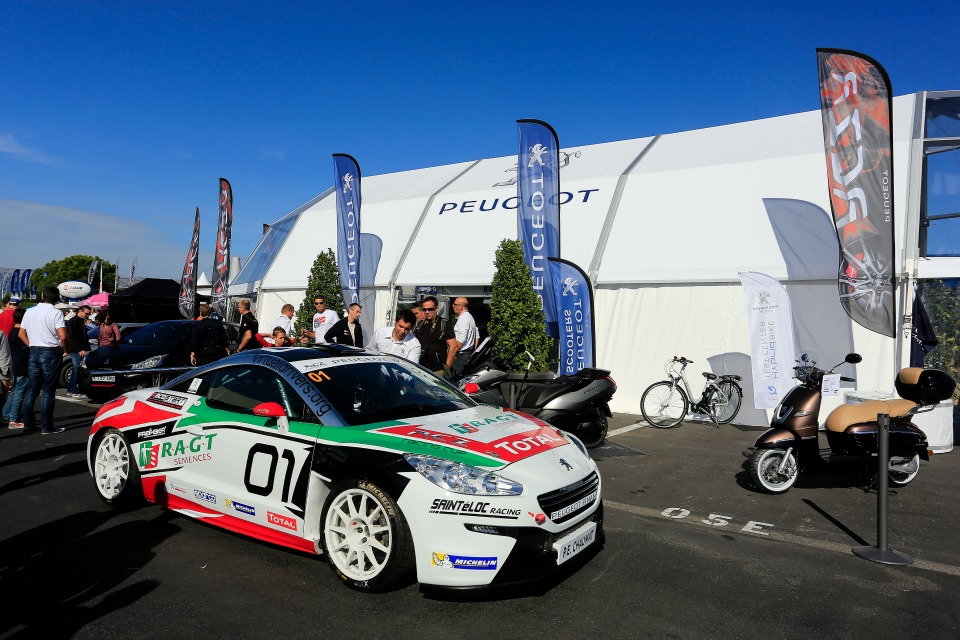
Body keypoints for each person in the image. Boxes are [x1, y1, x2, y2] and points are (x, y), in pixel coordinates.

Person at [19, 286, 68, 435]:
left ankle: (28, 424)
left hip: (34, 350)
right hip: (50, 351)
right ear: (56, 298)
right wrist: (66, 350)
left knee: (31, 389)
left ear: (42, 296)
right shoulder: (56, 313)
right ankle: (46, 426)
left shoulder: (29, 311)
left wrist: (32, 345)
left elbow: (21, 334)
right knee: (48, 390)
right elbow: (63, 336)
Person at [414, 296, 457, 378]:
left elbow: (453, 347)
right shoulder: (420, 325)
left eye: (430, 309)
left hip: (438, 370)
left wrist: (446, 369)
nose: (427, 312)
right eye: (424, 309)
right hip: (421, 368)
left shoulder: (444, 323)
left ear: (436, 309)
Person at [2, 308, 28, 429]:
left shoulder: (12, 332)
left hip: (15, 364)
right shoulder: (21, 334)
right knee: (19, 392)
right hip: (22, 365)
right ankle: (13, 418)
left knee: (15, 391)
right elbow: (28, 347)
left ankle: (6, 415)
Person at [65, 304, 92, 398]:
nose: (87, 315)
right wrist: (80, 349)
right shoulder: (73, 322)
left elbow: (83, 337)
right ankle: (72, 389)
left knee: (78, 370)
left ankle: (75, 389)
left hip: (80, 349)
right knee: (77, 369)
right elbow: (72, 337)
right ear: (80, 311)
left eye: (89, 314)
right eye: (86, 313)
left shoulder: (80, 321)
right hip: (76, 350)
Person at [450, 297, 478, 378]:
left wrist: (454, 351)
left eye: (455, 304)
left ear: (460, 307)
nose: (453, 306)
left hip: (462, 355)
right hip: (467, 353)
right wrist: (473, 349)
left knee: (455, 379)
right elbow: (477, 335)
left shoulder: (463, 318)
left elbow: (462, 337)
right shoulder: (469, 317)